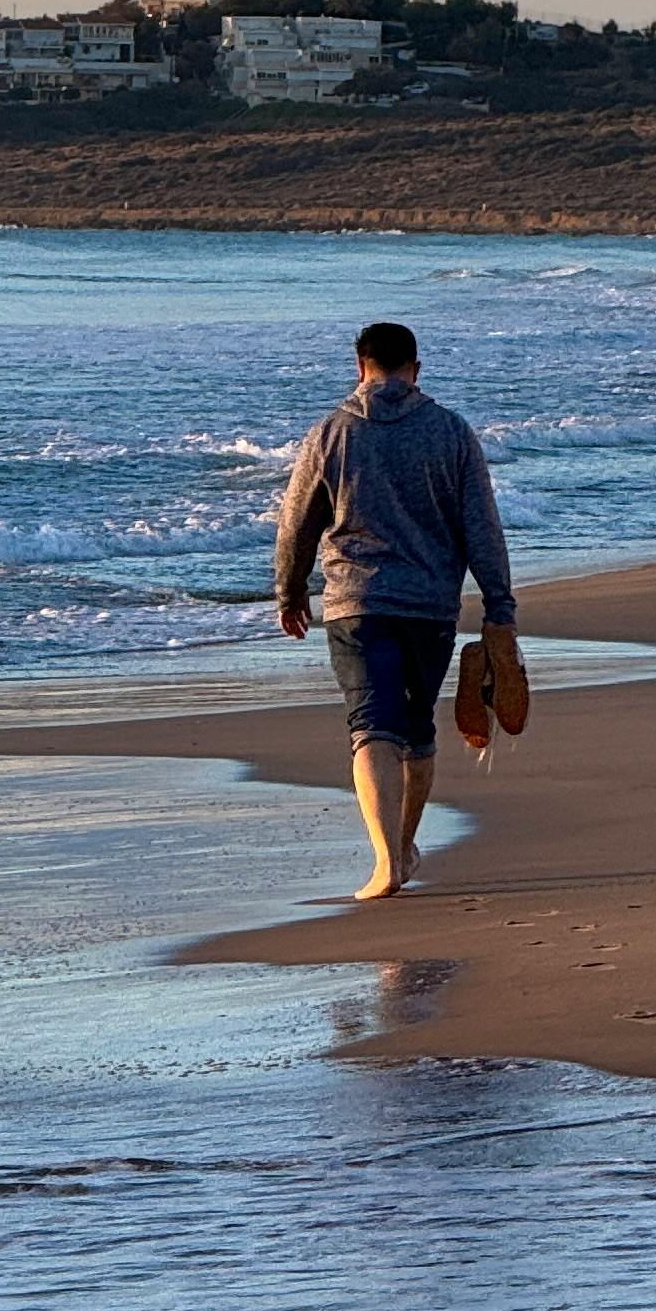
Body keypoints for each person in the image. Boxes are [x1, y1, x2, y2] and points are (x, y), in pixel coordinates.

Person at [274, 320, 519, 903]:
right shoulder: (452, 433)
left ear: (360, 368)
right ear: (416, 369)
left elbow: (296, 523)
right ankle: (401, 848)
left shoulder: (330, 434)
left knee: (371, 727)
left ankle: (388, 859)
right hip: (430, 607)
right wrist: (499, 605)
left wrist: (289, 591)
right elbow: (481, 527)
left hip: (355, 603)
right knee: (415, 729)